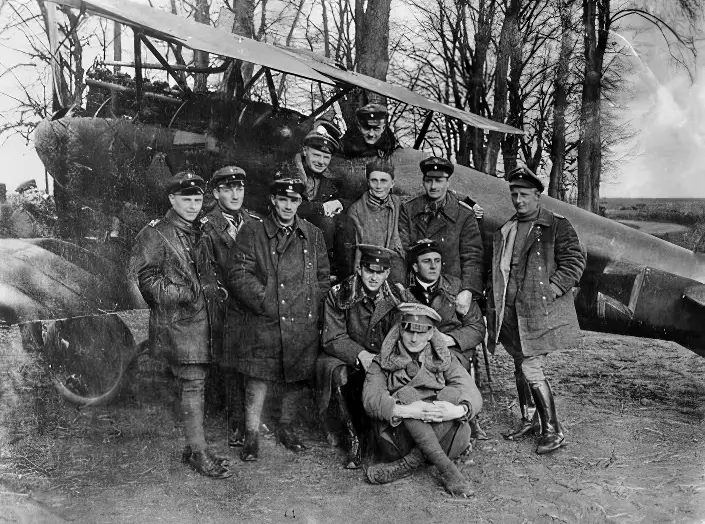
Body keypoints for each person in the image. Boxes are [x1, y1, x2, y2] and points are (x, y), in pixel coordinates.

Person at [131, 171, 231, 479]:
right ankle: (199, 452)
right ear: (172, 199)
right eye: (186, 199)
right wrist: (185, 293)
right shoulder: (155, 233)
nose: (192, 205)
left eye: (198, 199)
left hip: (205, 321)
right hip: (180, 323)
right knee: (193, 384)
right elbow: (146, 281)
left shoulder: (203, 229)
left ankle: (194, 445)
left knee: (198, 384)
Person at [225, 177, 330, 461]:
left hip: (300, 321)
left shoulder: (313, 234)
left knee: (295, 378)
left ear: (300, 203)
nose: (287, 205)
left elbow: (322, 279)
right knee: (257, 377)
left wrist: (310, 305)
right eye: (282, 199)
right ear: (273, 200)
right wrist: (266, 301)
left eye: (293, 200)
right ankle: (251, 435)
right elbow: (238, 273)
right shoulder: (253, 231)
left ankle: (287, 428)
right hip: (265, 319)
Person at [487, 165, 585, 455]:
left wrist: (551, 290)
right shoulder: (508, 229)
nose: (519, 200)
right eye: (514, 194)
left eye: (524, 195)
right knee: (519, 363)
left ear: (537, 196)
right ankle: (529, 419)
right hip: (511, 313)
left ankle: (554, 430)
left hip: (538, 313)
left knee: (531, 366)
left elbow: (574, 262)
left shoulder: (556, 225)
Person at [362, 303, 482, 497]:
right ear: (401, 330)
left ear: (430, 334)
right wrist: (409, 411)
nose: (415, 338)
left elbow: (472, 392)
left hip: (446, 439)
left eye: (421, 332)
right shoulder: (383, 360)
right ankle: (447, 470)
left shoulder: (444, 358)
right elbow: (371, 399)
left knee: (452, 394)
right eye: (409, 331)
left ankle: (409, 464)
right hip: (401, 439)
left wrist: (457, 411)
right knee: (406, 394)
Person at [318, 244, 405, 469]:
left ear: (387, 273)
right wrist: (360, 355)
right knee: (337, 373)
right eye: (369, 270)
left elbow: (407, 331)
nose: (374, 277)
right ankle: (352, 437)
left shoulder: (399, 295)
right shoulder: (340, 294)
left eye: (379, 272)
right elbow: (333, 337)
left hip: (384, 359)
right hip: (350, 357)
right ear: (359, 269)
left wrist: (384, 358)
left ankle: (381, 435)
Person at [200, 165, 261, 448]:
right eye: (228, 189)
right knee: (231, 364)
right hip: (225, 307)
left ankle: (255, 417)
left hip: (253, 303)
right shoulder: (207, 227)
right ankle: (236, 422)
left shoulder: (255, 222)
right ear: (216, 193)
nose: (235, 194)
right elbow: (206, 271)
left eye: (239, 188)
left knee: (257, 362)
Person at [398, 157, 484, 317]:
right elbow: (404, 253)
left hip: (452, 295)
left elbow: (473, 257)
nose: (433, 186)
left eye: (439, 180)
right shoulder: (409, 210)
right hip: (415, 292)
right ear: (423, 182)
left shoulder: (464, 215)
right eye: (429, 180)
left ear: (448, 182)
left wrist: (468, 290)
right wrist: (407, 289)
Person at [291, 122, 356, 280]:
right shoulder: (290, 171)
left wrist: (339, 203)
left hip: (317, 243)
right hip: (291, 235)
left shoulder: (330, 179)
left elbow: (351, 196)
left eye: (326, 157)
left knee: (346, 223)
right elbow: (287, 205)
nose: (321, 161)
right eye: (317, 155)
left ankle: (344, 277)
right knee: (327, 222)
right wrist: (321, 208)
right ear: (305, 151)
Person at [347, 160, 405, 283]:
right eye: (374, 181)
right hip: (369, 266)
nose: (379, 186)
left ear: (392, 183)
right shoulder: (356, 210)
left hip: (394, 265)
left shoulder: (398, 205)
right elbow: (356, 248)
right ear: (368, 182)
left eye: (384, 181)